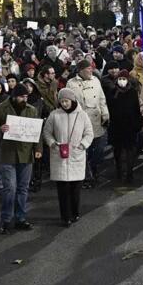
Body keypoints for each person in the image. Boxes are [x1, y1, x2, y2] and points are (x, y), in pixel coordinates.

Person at [0, 84, 43, 234]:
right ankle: (5, 219)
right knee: (9, 188)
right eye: (22, 97)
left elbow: (37, 132)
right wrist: (0, 129)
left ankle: (20, 218)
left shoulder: (32, 110)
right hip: (7, 154)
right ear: (14, 96)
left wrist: (38, 149)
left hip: (26, 154)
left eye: (26, 97)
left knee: (23, 188)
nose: (25, 99)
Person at [42, 88, 94, 227]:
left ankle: (75, 212)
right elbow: (47, 132)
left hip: (76, 155)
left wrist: (83, 145)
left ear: (73, 100)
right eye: (62, 101)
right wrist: (53, 144)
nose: (64, 104)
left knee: (75, 189)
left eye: (67, 101)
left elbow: (89, 133)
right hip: (59, 155)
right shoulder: (54, 115)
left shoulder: (82, 115)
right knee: (63, 190)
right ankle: (65, 217)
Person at [66, 60, 110, 187]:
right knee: (83, 151)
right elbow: (69, 103)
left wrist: (105, 114)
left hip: (97, 121)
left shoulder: (96, 80)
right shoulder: (71, 83)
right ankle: (87, 177)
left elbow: (102, 99)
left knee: (99, 149)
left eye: (91, 68)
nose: (91, 70)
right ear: (80, 70)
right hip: (81, 122)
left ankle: (92, 168)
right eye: (88, 68)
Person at [108, 70, 143, 184]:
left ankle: (129, 173)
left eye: (124, 79)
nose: (122, 81)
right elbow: (109, 109)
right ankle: (119, 172)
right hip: (116, 127)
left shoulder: (132, 92)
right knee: (117, 151)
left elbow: (136, 109)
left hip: (130, 126)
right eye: (120, 79)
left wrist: (138, 124)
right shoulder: (112, 92)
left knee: (130, 151)